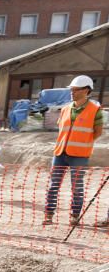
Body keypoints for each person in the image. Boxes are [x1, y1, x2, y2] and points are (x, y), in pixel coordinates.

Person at [43, 75, 103, 226]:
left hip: (79, 155)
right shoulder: (65, 109)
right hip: (60, 152)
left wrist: (83, 142)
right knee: (53, 185)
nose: (72, 92)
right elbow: (62, 130)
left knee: (77, 187)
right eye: (72, 89)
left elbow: (98, 132)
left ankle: (74, 216)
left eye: (76, 90)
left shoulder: (95, 110)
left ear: (86, 91)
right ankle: (49, 215)